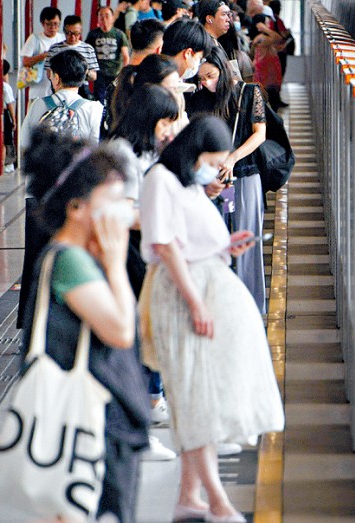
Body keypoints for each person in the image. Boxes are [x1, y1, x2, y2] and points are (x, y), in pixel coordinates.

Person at [139, 116, 283, 523]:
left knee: (196, 395)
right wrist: (197, 304)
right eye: (212, 159)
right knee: (194, 397)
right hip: (182, 298)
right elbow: (166, 247)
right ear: (193, 151)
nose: (214, 168)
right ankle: (218, 502)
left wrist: (225, 244)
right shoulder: (160, 181)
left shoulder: (186, 184)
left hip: (201, 289)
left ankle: (189, 497)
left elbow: (191, 238)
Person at [21, 127, 151, 523]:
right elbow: (122, 330)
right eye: (112, 200)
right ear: (77, 207)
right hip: (88, 423)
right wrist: (114, 262)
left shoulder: (72, 256)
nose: (124, 210)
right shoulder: (69, 260)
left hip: (86, 421)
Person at [106, 84, 182, 462]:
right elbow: (121, 213)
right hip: (128, 257)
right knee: (132, 344)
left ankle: (138, 427)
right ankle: (136, 434)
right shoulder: (122, 153)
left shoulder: (149, 150)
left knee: (142, 340)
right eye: (167, 122)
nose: (171, 130)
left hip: (142, 253)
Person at [18, 50, 104, 329]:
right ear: (82, 79)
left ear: (54, 77)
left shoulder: (36, 106)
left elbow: (24, 147)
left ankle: (31, 322)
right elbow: (94, 153)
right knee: (73, 255)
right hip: (75, 198)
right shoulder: (94, 109)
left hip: (39, 196)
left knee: (36, 259)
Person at [187, 49, 268, 312]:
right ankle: (223, 304)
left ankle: (250, 306)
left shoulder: (248, 92)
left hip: (244, 175)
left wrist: (233, 158)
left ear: (223, 69)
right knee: (220, 236)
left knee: (245, 238)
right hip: (215, 181)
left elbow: (260, 134)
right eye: (201, 79)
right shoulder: (198, 100)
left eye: (210, 76)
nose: (207, 83)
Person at [45, 15, 100, 99]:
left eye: (76, 33)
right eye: (68, 33)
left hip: (81, 90)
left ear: (81, 32)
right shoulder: (55, 49)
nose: (72, 37)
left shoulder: (88, 49)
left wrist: (83, 72)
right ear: (64, 31)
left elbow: (94, 76)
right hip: (60, 89)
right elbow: (49, 74)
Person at [87, 6, 131, 104]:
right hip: (99, 74)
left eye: (107, 16)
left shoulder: (119, 34)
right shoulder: (93, 34)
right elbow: (87, 53)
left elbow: (126, 56)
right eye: (101, 16)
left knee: (114, 100)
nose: (104, 19)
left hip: (115, 74)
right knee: (99, 100)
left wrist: (123, 73)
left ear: (112, 17)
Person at [19, 6, 64, 99]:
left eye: (56, 24)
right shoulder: (35, 39)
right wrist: (45, 55)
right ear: (43, 23)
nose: (53, 28)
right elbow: (25, 61)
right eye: (49, 24)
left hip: (59, 91)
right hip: (38, 91)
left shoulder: (62, 39)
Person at [3, 58, 17, 174]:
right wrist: (14, 119)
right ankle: (8, 163)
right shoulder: (5, 87)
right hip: (5, 115)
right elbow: (10, 104)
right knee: (7, 140)